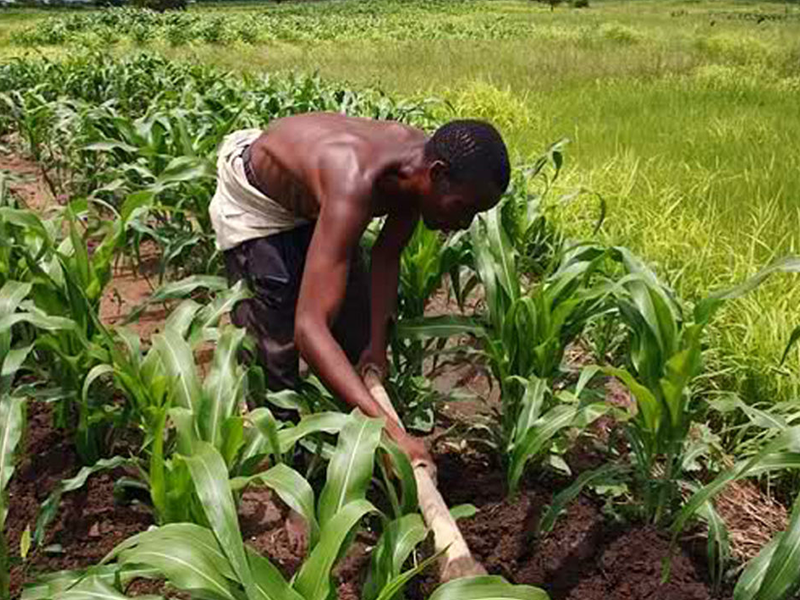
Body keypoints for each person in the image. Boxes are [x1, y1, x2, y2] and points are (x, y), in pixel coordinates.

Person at [209, 113, 510, 471]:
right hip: (259, 202)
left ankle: (355, 443)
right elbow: (310, 330)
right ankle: (285, 472)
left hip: (317, 199)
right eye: (463, 208)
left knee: (356, 329)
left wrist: (376, 345)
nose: (463, 224)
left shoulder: (416, 171)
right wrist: (391, 433)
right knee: (277, 352)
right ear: (437, 174)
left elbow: (387, 255)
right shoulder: (356, 180)